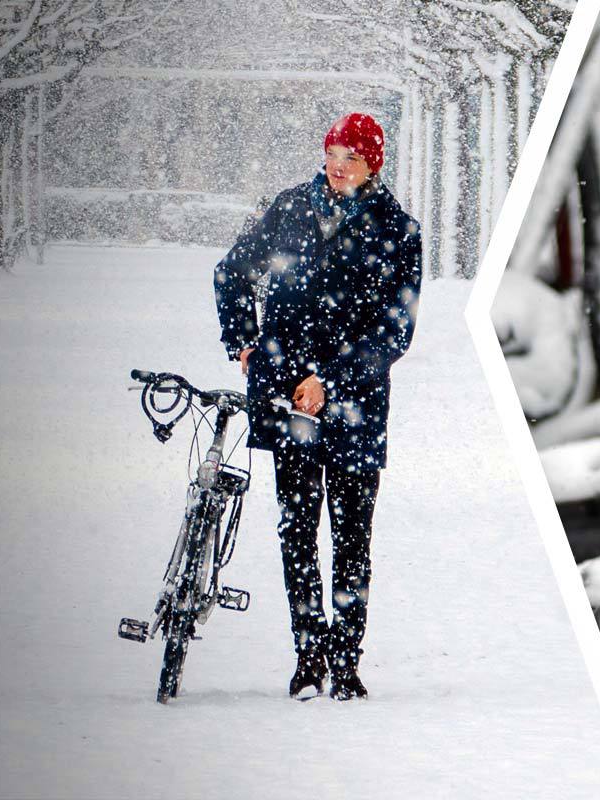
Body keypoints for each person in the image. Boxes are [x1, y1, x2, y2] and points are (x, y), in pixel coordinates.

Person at [213, 112, 422, 701]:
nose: (338, 164)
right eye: (332, 151)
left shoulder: (398, 231)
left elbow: (394, 331)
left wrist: (330, 381)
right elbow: (231, 272)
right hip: (286, 402)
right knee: (297, 533)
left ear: (373, 163)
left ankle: (346, 660)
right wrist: (244, 341)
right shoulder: (287, 209)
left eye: (351, 156)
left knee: (352, 538)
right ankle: (308, 654)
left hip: (354, 407)